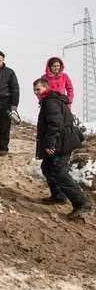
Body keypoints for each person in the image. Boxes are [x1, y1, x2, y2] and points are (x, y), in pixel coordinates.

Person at [33, 78, 92, 218]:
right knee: (47, 168)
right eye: (34, 90)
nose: (36, 92)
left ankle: (82, 203)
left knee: (59, 171)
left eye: (38, 89)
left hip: (62, 142)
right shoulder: (49, 100)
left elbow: (55, 124)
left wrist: (50, 144)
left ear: (46, 88)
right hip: (61, 140)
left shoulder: (50, 102)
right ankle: (58, 196)